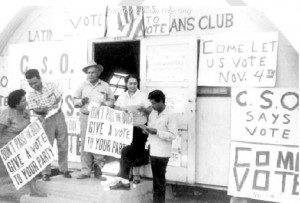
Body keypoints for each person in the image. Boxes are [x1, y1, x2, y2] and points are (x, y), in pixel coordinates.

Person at [25, 69, 71, 181]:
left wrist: (57, 106)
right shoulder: (30, 94)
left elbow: (60, 98)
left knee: (63, 143)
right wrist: (44, 110)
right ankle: (45, 172)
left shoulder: (50, 85)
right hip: (45, 119)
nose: (33, 85)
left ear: (40, 78)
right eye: (30, 84)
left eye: (35, 82)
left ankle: (64, 169)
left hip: (58, 116)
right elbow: (35, 109)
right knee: (46, 146)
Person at [73, 60, 115, 181]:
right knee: (85, 143)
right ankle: (85, 171)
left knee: (98, 143)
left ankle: (99, 170)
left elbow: (112, 101)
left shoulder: (105, 86)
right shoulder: (82, 86)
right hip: (86, 117)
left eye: (93, 72)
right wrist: (81, 101)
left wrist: (105, 104)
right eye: (88, 72)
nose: (90, 75)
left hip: (100, 118)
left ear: (98, 73)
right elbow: (74, 101)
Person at [0, 89, 47, 197]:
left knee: (31, 162)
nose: (26, 102)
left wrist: (38, 123)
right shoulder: (6, 113)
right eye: (23, 101)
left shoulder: (25, 112)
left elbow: (27, 128)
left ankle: (33, 190)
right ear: (16, 104)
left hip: (21, 144)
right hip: (6, 146)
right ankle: (33, 190)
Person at [109, 74, 151, 190]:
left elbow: (150, 109)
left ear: (137, 84)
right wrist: (124, 110)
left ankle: (133, 175)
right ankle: (126, 176)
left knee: (136, 150)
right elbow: (116, 108)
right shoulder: (122, 96)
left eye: (135, 83)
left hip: (139, 127)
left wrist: (143, 109)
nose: (132, 85)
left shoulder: (142, 96)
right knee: (125, 151)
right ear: (126, 84)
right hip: (126, 128)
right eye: (130, 83)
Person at [142, 90, 178, 203]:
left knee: (159, 180)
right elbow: (152, 129)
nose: (152, 106)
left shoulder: (170, 115)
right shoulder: (153, 113)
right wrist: (147, 131)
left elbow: (173, 136)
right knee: (155, 179)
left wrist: (156, 132)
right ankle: (156, 201)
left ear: (161, 101)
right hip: (153, 150)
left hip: (163, 152)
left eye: (154, 103)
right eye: (151, 103)